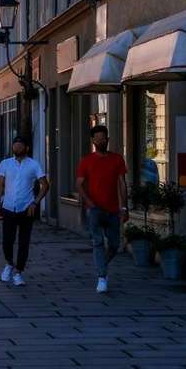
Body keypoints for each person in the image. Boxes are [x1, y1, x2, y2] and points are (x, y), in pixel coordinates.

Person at [76, 123, 128, 293]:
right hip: (95, 209)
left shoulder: (117, 159)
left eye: (103, 138)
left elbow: (122, 183)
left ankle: (102, 265)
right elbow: (80, 184)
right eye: (97, 139)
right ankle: (102, 277)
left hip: (113, 209)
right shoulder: (86, 161)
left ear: (108, 139)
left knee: (114, 244)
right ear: (92, 140)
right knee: (98, 242)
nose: (100, 141)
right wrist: (89, 202)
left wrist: (124, 207)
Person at [0, 134, 49, 287]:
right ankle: (9, 263)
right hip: (9, 207)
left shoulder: (33, 164)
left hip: (26, 208)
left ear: (26, 148)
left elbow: (45, 185)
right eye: (14, 144)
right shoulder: (5, 164)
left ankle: (18, 272)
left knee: (24, 242)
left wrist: (35, 203)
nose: (16, 147)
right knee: (7, 241)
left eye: (19, 145)